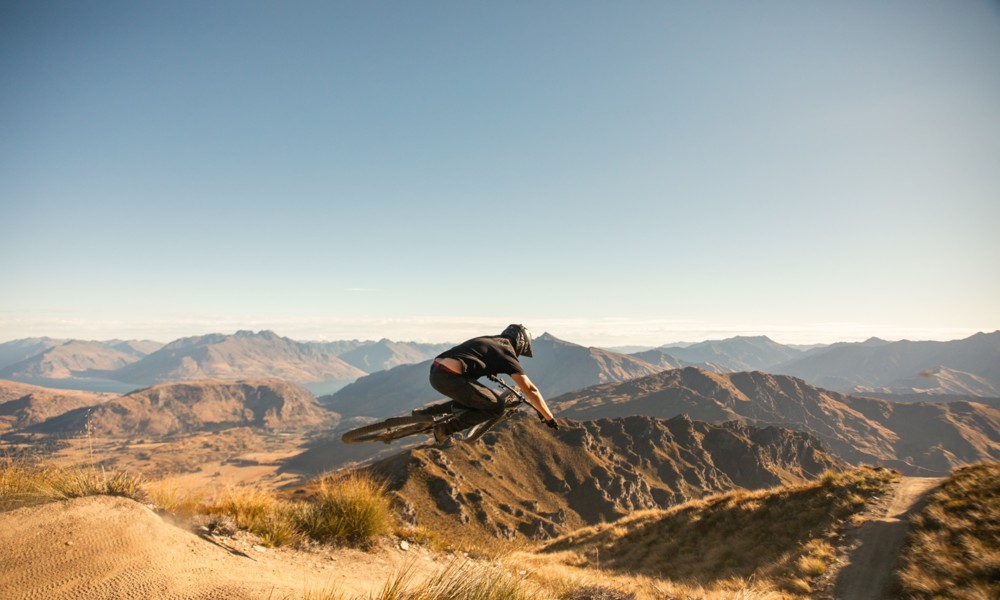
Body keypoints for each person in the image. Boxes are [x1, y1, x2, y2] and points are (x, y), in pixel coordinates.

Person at [419, 324, 557, 444]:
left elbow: (472, 355)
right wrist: (549, 417)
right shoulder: (507, 351)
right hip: (450, 376)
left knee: (475, 400)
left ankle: (421, 415)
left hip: (436, 372)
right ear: (521, 343)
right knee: (496, 407)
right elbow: (530, 389)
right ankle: (445, 429)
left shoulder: (492, 341)